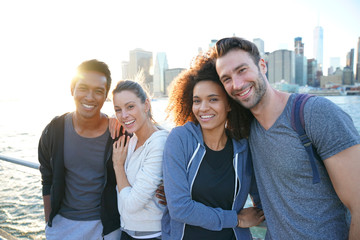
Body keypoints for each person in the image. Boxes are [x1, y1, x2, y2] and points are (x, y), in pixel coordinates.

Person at [212, 37, 360, 239]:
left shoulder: (316, 113)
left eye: (242, 70)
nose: (237, 84)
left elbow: (358, 206)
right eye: (226, 79)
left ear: (262, 66)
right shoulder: (247, 131)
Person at [161, 55, 264, 240]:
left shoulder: (243, 148)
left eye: (213, 99)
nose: (203, 108)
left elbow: (263, 199)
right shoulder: (180, 139)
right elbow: (180, 208)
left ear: (229, 105)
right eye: (197, 100)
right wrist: (236, 219)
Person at [38, 59, 121, 239]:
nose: (90, 97)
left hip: (105, 227)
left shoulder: (118, 132)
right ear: (72, 90)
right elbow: (47, 178)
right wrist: (50, 223)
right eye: (83, 88)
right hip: (62, 226)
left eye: (98, 91)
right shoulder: (54, 130)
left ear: (106, 95)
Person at [112, 80, 168, 240]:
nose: (123, 115)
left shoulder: (158, 143)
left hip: (152, 235)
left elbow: (131, 204)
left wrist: (118, 166)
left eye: (130, 107)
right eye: (118, 110)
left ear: (146, 105)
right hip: (127, 232)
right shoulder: (132, 140)